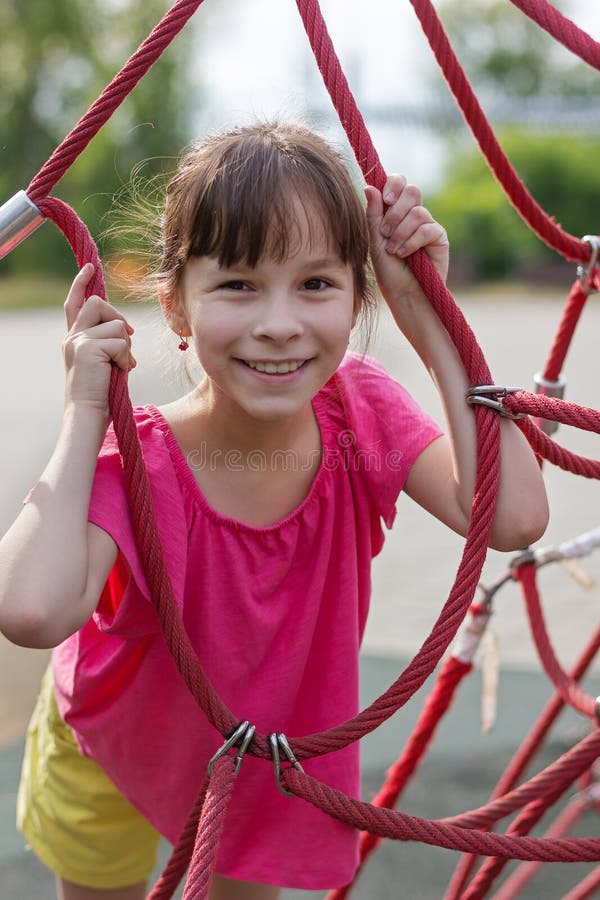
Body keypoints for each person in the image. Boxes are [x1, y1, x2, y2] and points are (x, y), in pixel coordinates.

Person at [0, 121, 548, 900]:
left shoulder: (361, 413)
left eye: (317, 284)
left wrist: (425, 313)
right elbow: (29, 609)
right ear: (176, 306)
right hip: (111, 750)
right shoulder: (141, 463)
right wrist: (84, 409)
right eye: (238, 285)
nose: (280, 322)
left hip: (259, 759)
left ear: (361, 294)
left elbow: (515, 518)